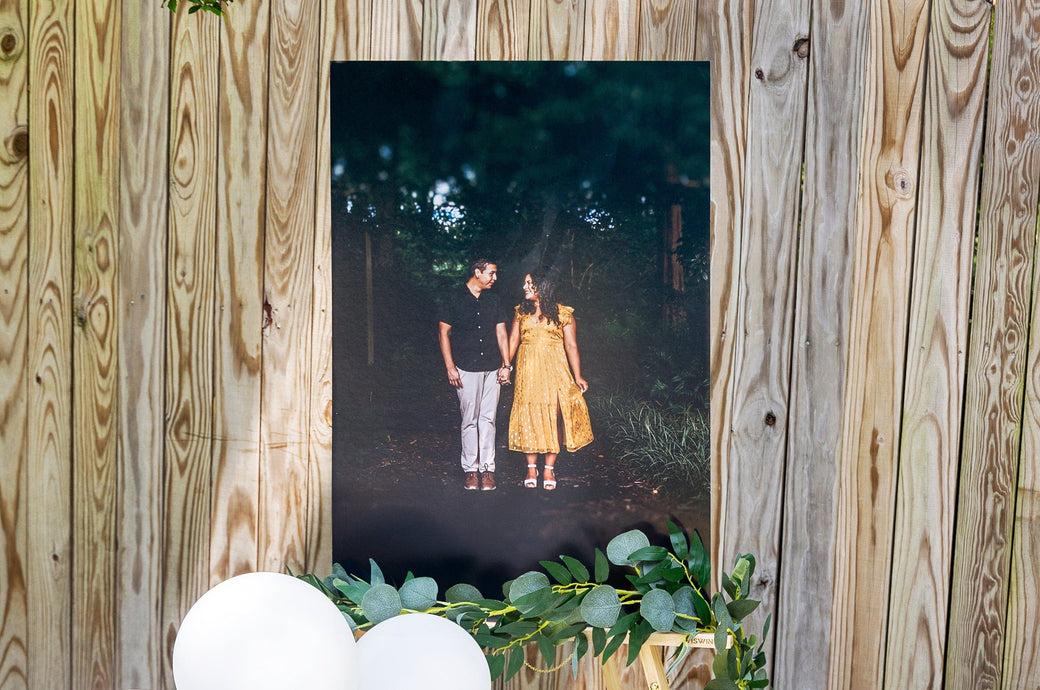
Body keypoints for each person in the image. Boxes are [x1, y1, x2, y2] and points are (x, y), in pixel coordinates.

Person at [502, 268, 593, 490]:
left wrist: (578, 375)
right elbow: (513, 340)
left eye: (529, 283)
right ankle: (531, 467)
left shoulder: (564, 314)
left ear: (543, 286)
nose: (524, 287)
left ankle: (549, 468)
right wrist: (506, 366)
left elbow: (571, 346)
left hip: (555, 369)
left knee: (554, 415)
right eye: (524, 283)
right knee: (529, 414)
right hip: (527, 369)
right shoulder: (520, 312)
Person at [438, 258, 512, 490]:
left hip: (492, 368)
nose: (495, 278)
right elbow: (443, 333)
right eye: (491, 273)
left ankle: (487, 470)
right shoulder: (454, 298)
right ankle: (470, 470)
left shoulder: (494, 300)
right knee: (470, 420)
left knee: (488, 419)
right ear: (477, 273)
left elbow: (502, 334)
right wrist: (450, 367)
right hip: (465, 368)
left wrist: (506, 365)